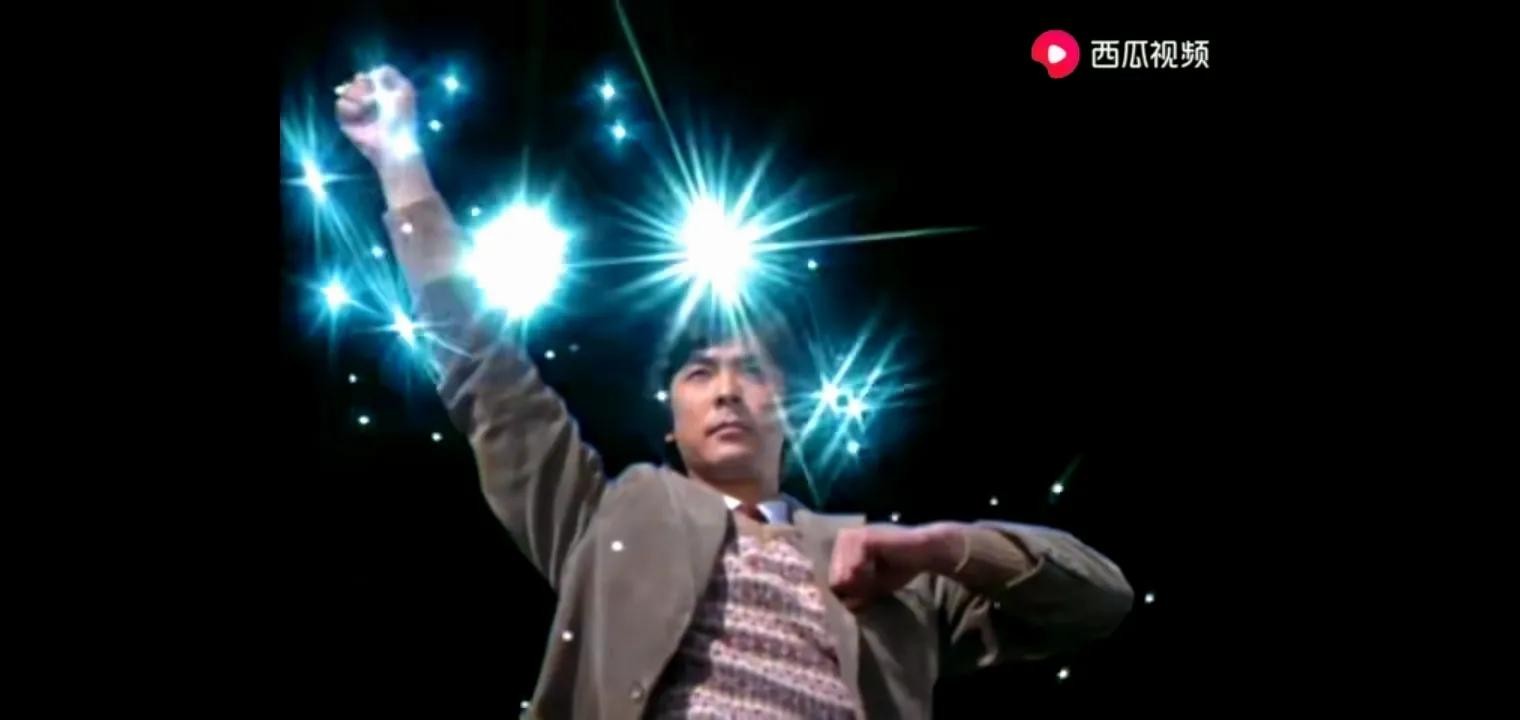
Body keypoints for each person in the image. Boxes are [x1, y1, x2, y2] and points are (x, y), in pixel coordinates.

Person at [336, 66, 1133, 719]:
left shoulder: (890, 575)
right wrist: (401, 165)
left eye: (752, 371)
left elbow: (1098, 600)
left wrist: (940, 547)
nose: (725, 391)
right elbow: (487, 374)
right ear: (672, 425)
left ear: (789, 415)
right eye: (699, 372)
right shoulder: (604, 521)